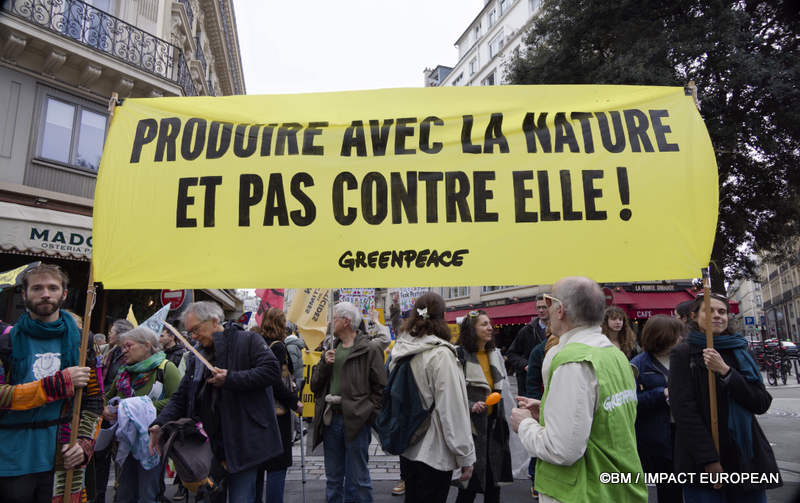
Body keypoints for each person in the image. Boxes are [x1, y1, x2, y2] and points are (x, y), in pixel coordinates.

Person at [510, 276, 647, 502]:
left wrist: (525, 424)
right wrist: (546, 409)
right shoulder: (616, 356)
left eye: (549, 303)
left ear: (560, 309)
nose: (546, 310)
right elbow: (603, 417)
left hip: (581, 491)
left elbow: (562, 450)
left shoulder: (572, 361)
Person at [149, 301, 282, 503]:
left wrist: (230, 379)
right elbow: (182, 395)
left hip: (243, 441)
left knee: (241, 497)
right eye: (189, 332)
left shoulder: (248, 340)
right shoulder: (197, 355)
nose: (193, 336)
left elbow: (271, 371)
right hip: (209, 446)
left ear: (213, 321)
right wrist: (159, 422)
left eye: (195, 329)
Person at [0, 263, 102, 503]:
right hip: (9, 462)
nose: (45, 293)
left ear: (64, 294)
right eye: (37, 288)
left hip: (61, 462)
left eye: (52, 287)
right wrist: (56, 385)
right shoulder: (5, 341)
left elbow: (94, 400)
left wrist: (84, 443)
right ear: (24, 295)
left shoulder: (82, 341)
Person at [670, 293, 781, 502]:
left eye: (722, 311)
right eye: (709, 311)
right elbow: (683, 410)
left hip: (745, 456)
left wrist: (726, 372)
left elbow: (760, 402)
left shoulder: (740, 349)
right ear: (694, 316)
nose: (717, 316)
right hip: (702, 461)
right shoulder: (683, 353)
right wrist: (709, 459)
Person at [389, 292, 475, 503]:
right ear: (443, 316)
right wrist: (466, 455)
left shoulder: (401, 350)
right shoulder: (441, 354)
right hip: (434, 451)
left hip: (409, 445)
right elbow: (452, 409)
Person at [310, 301, 386, 503]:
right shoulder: (330, 347)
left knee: (359, 479)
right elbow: (314, 386)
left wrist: (369, 413)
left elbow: (381, 387)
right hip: (331, 420)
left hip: (357, 422)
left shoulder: (369, 349)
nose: (330, 322)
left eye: (333, 318)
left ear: (346, 321)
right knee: (333, 479)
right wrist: (325, 364)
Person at [103, 326, 180, 503]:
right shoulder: (123, 372)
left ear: (146, 345)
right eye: (122, 347)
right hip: (126, 441)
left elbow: (176, 402)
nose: (124, 351)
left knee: (148, 493)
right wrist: (108, 410)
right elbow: (107, 398)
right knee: (125, 493)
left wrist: (138, 407)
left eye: (128, 346)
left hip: (154, 442)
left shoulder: (166, 368)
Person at [454, 310, 512, 503]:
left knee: (494, 486)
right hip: (472, 430)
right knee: (468, 488)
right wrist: (471, 405)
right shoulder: (459, 355)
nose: (490, 328)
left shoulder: (494, 353)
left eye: (490, 323)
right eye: (484, 324)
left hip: (495, 427)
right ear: (472, 329)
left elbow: (502, 388)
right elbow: (452, 393)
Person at [630, 315, 685, 503]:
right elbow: (631, 402)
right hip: (658, 435)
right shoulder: (639, 364)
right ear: (661, 337)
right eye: (676, 334)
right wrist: (662, 394)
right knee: (669, 488)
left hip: (686, 430)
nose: (680, 338)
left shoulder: (683, 358)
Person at [252, 308, 302, 503]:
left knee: (258, 463)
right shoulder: (278, 347)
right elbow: (275, 381)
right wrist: (293, 401)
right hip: (277, 411)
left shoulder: (256, 342)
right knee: (277, 462)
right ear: (281, 324)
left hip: (257, 409)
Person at [96, 317, 135, 503]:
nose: (109, 333)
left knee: (121, 461)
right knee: (100, 459)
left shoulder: (129, 357)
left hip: (121, 414)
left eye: (112, 330)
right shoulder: (109, 352)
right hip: (105, 411)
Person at [506, 295, 549, 395]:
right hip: (530, 386)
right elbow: (511, 354)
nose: (541, 310)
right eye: (538, 308)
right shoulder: (527, 330)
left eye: (544, 307)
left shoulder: (559, 330)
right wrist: (526, 365)